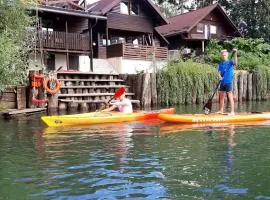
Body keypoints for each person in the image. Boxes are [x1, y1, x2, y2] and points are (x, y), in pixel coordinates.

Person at [216, 49, 238, 116]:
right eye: (222, 55)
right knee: (221, 96)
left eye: (225, 55)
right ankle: (221, 110)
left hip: (228, 81)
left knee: (230, 96)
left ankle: (232, 112)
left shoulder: (230, 62)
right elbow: (218, 72)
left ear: (227, 55)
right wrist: (220, 76)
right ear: (221, 56)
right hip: (222, 82)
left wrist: (235, 54)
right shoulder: (220, 64)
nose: (223, 56)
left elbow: (236, 63)